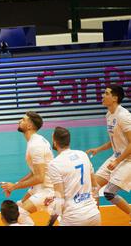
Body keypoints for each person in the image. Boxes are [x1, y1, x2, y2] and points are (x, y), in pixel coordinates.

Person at [86, 84, 131, 224]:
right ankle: (95, 221)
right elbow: (114, 140)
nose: (103, 95)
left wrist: (117, 162)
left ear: (115, 98)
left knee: (109, 193)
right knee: (93, 186)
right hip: (117, 156)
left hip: (128, 159)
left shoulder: (123, 116)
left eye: (106, 93)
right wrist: (98, 149)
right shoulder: (109, 114)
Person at [0, 111, 54, 226]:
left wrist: (14, 186)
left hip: (48, 190)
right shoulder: (35, 140)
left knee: (20, 213)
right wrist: (16, 184)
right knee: (18, 205)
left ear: (29, 126)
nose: (19, 121)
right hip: (41, 186)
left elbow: (39, 177)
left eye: (23, 119)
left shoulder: (35, 145)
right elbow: (34, 172)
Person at [46, 126, 101, 226]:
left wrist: (49, 224)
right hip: (94, 215)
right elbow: (96, 187)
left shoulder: (54, 164)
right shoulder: (83, 155)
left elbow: (60, 200)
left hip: (73, 219)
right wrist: (94, 211)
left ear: (55, 141)